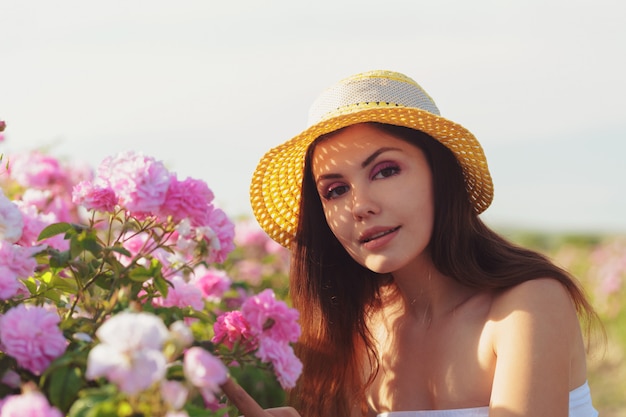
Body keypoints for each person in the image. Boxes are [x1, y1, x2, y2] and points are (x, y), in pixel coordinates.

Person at [222, 70, 601, 416]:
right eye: (335, 190)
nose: (361, 207)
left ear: (440, 172)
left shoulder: (528, 305)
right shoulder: (360, 331)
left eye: (386, 170)